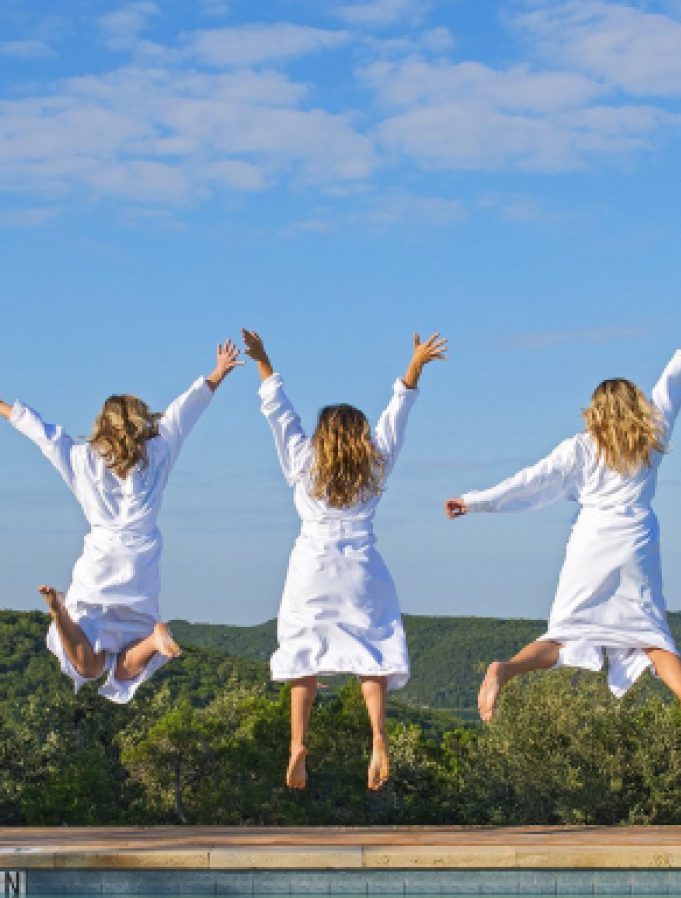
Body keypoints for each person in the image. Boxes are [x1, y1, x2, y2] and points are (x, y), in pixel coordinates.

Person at [446, 305, 681, 746]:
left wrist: (474, 502)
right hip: (637, 539)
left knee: (564, 635)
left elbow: (528, 483)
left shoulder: (579, 448)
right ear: (635, 407)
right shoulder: (652, 434)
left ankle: (506, 669)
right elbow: (678, 378)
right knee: (651, 634)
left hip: (591, 542)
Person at [243, 327, 447, 789]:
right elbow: (398, 414)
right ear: (359, 436)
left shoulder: (302, 460)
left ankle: (297, 744)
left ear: (323, 435)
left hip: (312, 569)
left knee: (302, 655)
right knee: (370, 653)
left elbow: (279, 412)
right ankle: (377, 737)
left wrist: (263, 359)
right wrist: (415, 364)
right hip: (360, 569)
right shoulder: (374, 464)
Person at [0, 341, 241, 703]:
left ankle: (59, 612)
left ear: (102, 425)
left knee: (88, 667)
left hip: (100, 564)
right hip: (140, 567)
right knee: (127, 666)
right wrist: (218, 372)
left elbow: (39, 432)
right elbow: (184, 411)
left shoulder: (82, 457)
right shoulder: (158, 451)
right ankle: (152, 639)